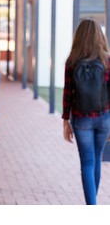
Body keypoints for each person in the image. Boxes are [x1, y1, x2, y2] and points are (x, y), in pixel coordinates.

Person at [62, 19, 110, 205]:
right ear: (100, 36)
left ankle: (91, 207)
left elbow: (67, 93)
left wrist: (65, 121)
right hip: (103, 117)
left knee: (87, 163)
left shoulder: (72, 61)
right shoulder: (106, 60)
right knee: (96, 159)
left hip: (81, 119)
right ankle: (93, 205)